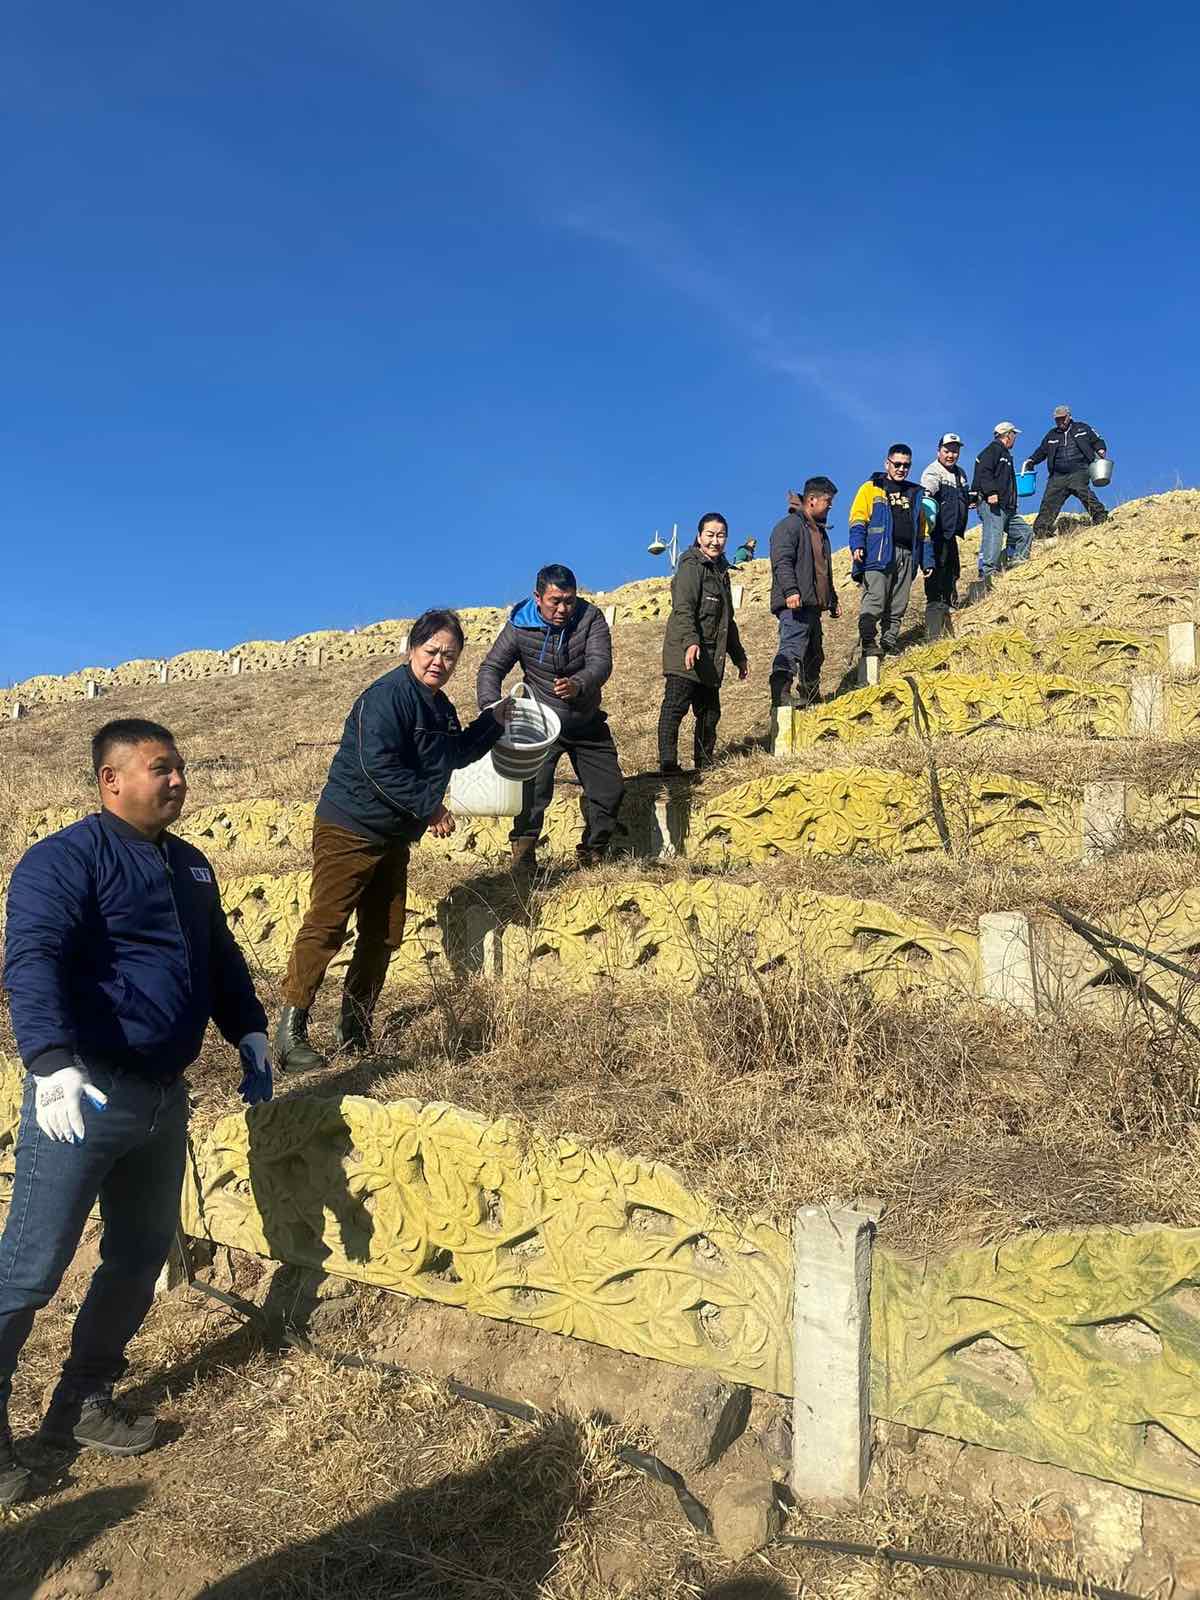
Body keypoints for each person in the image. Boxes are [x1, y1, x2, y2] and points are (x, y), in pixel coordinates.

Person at [0, 719, 272, 1504]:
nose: (179, 779)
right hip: (81, 1097)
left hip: (161, 1099)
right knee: (28, 1269)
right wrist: (48, 1061)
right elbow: (34, 957)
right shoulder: (64, 860)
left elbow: (217, 957)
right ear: (111, 780)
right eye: (163, 768)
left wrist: (249, 1029)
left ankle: (81, 1400)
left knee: (137, 1255)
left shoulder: (190, 866)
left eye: (182, 767)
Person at [275, 609, 510, 1071]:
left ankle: (354, 1030)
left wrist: (494, 721)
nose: (439, 661)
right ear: (411, 649)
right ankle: (289, 1035)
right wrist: (430, 806)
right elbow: (376, 766)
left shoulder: (439, 706)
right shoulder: (386, 697)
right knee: (327, 925)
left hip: (392, 837)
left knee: (383, 934)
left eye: (450, 655)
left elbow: (455, 754)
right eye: (432, 651)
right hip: (349, 827)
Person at [477, 563, 624, 874]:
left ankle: (593, 851)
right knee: (532, 793)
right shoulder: (519, 624)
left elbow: (601, 663)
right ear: (537, 597)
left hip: (586, 719)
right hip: (541, 724)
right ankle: (524, 859)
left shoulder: (590, 617)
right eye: (555, 601)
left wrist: (579, 684)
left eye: (569, 600)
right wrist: (491, 708)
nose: (563, 608)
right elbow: (491, 669)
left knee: (609, 790)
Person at [657, 513, 749, 774]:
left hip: (710, 655)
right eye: (710, 535)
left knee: (709, 713)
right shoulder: (691, 566)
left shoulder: (722, 573)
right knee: (675, 707)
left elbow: (726, 621)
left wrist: (738, 656)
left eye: (720, 535)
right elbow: (683, 608)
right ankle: (668, 764)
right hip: (685, 652)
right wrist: (690, 643)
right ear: (699, 537)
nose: (715, 541)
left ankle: (704, 764)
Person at [848, 446, 934, 658]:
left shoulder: (915, 493)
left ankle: (888, 644)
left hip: (907, 555)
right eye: (897, 464)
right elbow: (858, 517)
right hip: (878, 554)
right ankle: (868, 641)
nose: (901, 469)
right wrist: (857, 544)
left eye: (906, 465)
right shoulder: (871, 488)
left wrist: (927, 560)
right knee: (875, 598)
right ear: (887, 463)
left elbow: (923, 529)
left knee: (898, 604)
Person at [768, 477, 839, 708]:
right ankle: (781, 695)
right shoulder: (789, 526)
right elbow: (782, 561)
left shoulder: (819, 531)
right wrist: (790, 590)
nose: (830, 505)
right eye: (828, 500)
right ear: (811, 500)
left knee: (814, 654)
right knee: (792, 648)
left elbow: (823, 570)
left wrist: (832, 598)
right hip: (795, 604)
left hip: (813, 605)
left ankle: (810, 695)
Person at [919, 433, 974, 640]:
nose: (951, 454)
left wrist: (971, 500)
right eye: (947, 450)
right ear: (939, 451)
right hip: (936, 534)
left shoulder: (960, 473)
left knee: (953, 571)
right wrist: (926, 495)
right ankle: (935, 626)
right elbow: (927, 492)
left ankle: (950, 610)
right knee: (936, 576)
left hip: (951, 533)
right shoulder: (933, 471)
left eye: (955, 451)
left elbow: (963, 496)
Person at [1024, 405, 1109, 538]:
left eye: (1063, 418)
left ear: (1069, 416)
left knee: (1083, 491)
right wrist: (1031, 461)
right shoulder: (1051, 435)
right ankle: (1042, 530)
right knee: (1049, 501)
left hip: (1079, 470)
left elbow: (1097, 440)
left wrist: (1101, 449)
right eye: (1057, 419)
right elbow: (1041, 451)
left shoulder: (1082, 428)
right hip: (1057, 476)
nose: (1060, 421)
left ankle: (1100, 517)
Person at [971, 422, 1031, 582]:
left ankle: (1016, 566)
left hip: (1007, 507)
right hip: (993, 505)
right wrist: (990, 492)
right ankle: (987, 573)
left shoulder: (1004, 453)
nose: (1015, 439)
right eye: (1014, 435)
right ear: (1008, 435)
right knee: (993, 537)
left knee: (1024, 533)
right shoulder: (993, 450)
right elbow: (983, 472)